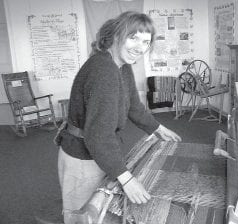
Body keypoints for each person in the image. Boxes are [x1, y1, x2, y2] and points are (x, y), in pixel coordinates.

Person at [56, 11, 181, 223]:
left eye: (146, 42)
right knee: (81, 216)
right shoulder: (104, 70)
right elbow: (98, 136)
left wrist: (157, 128)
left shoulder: (120, 66)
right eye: (133, 38)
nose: (140, 48)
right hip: (82, 155)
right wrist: (127, 179)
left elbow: (133, 105)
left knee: (98, 211)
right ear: (116, 36)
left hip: (96, 151)